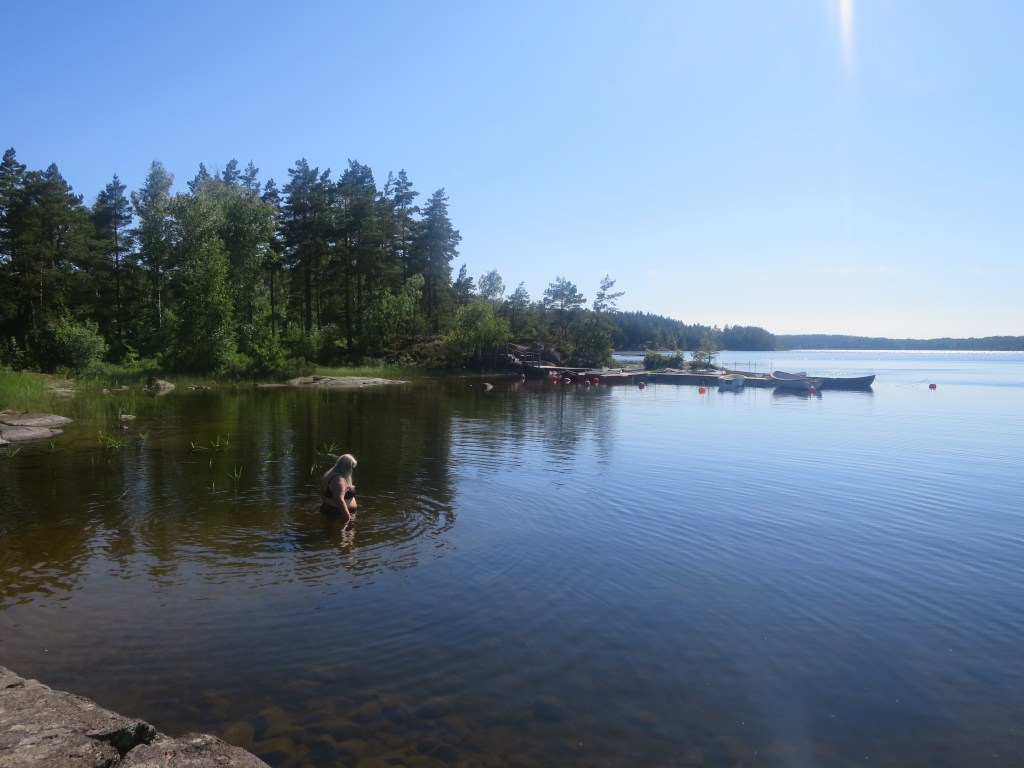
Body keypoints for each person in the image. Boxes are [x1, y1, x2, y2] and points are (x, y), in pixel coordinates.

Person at [320, 453, 358, 521]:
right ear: (347, 467)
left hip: (329, 509)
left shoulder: (328, 474)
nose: (352, 470)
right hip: (338, 513)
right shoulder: (339, 479)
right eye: (351, 467)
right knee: (341, 528)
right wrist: (347, 517)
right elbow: (339, 499)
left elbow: (322, 492)